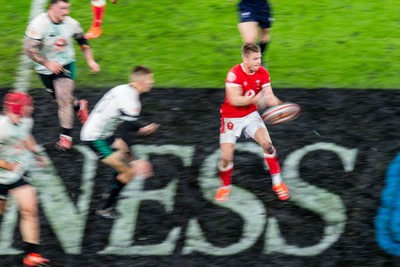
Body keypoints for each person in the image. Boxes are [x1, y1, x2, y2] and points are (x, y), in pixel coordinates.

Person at [81, 65, 159, 219]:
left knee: (125, 160)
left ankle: (112, 188)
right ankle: (106, 207)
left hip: (102, 133)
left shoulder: (122, 89)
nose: (152, 82)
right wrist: (134, 161)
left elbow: (123, 124)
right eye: (150, 79)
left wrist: (138, 130)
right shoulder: (132, 103)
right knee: (128, 171)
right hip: (95, 138)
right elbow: (125, 132)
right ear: (141, 82)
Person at [215, 43, 290, 202]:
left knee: (268, 145)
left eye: (260, 58)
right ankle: (225, 186)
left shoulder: (262, 72)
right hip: (231, 117)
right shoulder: (233, 74)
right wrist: (255, 99)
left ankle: (277, 183)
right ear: (245, 59)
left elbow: (269, 96)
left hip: (250, 115)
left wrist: (281, 107)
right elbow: (235, 100)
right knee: (226, 157)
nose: (258, 61)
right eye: (255, 58)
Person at [24, 0, 101, 151]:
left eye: (67, 8)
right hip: (45, 68)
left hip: (66, 63)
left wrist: (90, 60)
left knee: (63, 100)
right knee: (62, 99)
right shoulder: (38, 25)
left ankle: (66, 137)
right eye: (62, 8)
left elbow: (83, 42)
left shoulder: (71, 24)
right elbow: (28, 49)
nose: (66, 12)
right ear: (52, 7)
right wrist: (48, 64)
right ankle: (79, 106)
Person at [0, 91, 50, 266]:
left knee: (30, 210)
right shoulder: (1, 129)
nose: (31, 107)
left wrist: (36, 153)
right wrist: (6, 165)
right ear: (18, 108)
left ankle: (32, 255)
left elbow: (25, 134)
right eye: (27, 105)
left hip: (18, 174)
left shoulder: (27, 120)